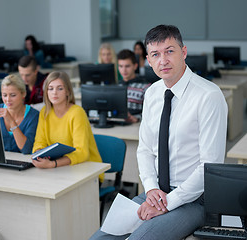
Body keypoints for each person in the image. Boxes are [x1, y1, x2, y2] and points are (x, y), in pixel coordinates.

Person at [90, 24, 228, 239]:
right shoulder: (153, 93)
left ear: (183, 52)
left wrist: (167, 203)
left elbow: (210, 166)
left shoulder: (208, 96)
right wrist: (152, 189)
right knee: (100, 237)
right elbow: (145, 149)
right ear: (148, 60)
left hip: (194, 198)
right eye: (155, 54)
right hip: (157, 191)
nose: (163, 60)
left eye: (169, 51)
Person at [32, 71, 103, 182]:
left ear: (67, 91)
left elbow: (82, 153)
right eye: (50, 88)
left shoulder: (77, 113)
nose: (54, 93)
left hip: (87, 172)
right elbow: (39, 141)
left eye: (60, 88)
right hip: (60, 169)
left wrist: (53, 164)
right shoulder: (44, 112)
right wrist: (39, 154)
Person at [0, 75, 39, 154]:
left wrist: (11, 121)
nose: (8, 100)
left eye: (13, 95)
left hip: (22, 163)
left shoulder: (34, 116)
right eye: (4, 95)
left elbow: (26, 149)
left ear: (23, 94)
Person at [117, 49, 151, 123]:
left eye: (127, 66)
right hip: (117, 124)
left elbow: (152, 114)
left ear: (135, 66)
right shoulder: (116, 86)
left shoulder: (146, 88)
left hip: (137, 126)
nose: (124, 70)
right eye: (121, 66)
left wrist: (137, 118)